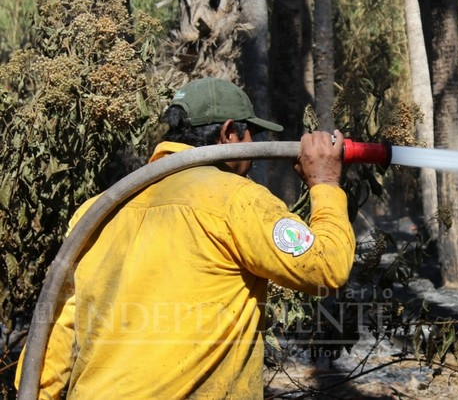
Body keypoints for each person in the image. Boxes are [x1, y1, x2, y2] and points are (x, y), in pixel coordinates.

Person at [16, 77, 355, 398]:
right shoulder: (236, 199)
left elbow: (55, 329)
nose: (252, 153)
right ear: (228, 134)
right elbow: (328, 266)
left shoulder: (98, 210)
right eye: (250, 134)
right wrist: (325, 183)